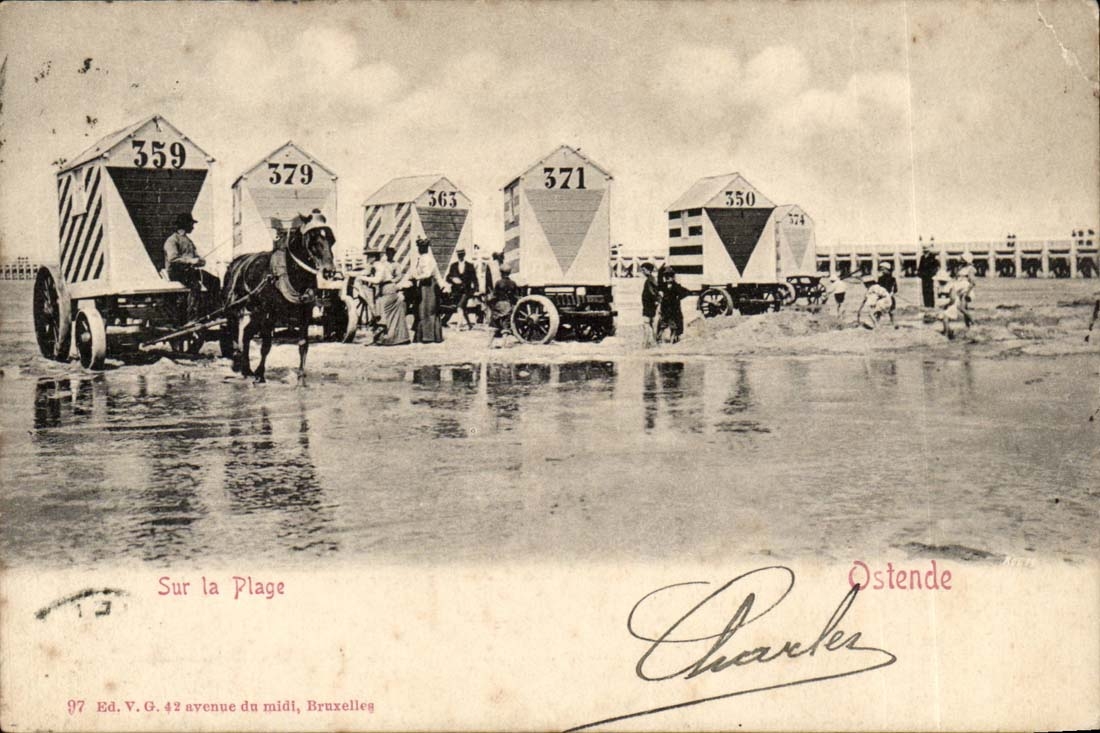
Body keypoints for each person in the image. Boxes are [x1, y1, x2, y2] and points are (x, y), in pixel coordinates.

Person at [164, 212, 219, 297]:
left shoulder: (188, 241)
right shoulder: (172, 240)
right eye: (191, 224)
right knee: (195, 286)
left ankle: (212, 305)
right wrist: (191, 261)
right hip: (177, 273)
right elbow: (173, 259)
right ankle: (193, 309)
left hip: (189, 272)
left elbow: (195, 256)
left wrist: (200, 261)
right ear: (185, 224)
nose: (193, 227)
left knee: (215, 281)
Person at [410, 237, 449, 343]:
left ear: (425, 248)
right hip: (423, 286)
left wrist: (415, 277)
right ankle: (422, 335)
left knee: (428, 311)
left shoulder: (429, 259)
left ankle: (429, 336)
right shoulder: (421, 258)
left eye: (422, 247)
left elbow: (427, 274)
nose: (420, 249)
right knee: (422, 310)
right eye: (419, 247)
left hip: (429, 286)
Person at [372, 245, 410, 346]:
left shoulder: (396, 265)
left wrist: (391, 281)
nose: (389, 254)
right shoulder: (382, 264)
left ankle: (391, 334)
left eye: (391, 253)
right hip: (381, 286)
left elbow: (399, 276)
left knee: (387, 310)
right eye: (388, 253)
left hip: (390, 286)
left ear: (393, 254)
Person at [443, 247, 478, 330]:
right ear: (457, 255)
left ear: (464, 254)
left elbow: (475, 279)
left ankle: (459, 326)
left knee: (459, 306)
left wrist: (474, 291)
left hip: (466, 291)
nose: (460, 256)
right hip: (456, 291)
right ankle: (469, 324)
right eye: (459, 254)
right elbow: (447, 278)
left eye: (461, 254)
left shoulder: (470, 265)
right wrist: (453, 279)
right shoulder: (453, 265)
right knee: (462, 307)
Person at [656, 265, 691, 343]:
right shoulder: (663, 286)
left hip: (674, 310)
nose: (668, 278)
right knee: (662, 325)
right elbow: (659, 281)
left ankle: (673, 340)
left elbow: (687, 292)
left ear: (673, 277)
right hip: (664, 309)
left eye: (670, 276)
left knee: (674, 326)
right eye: (666, 276)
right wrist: (660, 270)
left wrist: (678, 298)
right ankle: (659, 340)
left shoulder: (677, 286)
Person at [488, 263, 519, 338]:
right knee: (506, 326)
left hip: (499, 305)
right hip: (508, 305)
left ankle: (489, 344)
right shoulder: (513, 283)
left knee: (495, 324)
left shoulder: (498, 283)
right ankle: (504, 343)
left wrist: (490, 301)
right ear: (509, 273)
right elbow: (515, 296)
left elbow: (495, 295)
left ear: (501, 273)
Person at [640, 261, 661, 347]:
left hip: (649, 305)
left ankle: (646, 343)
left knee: (646, 324)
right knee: (651, 324)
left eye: (644, 270)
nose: (643, 272)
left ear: (649, 270)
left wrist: (655, 300)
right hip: (650, 305)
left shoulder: (649, 281)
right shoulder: (652, 279)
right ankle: (653, 342)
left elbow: (652, 293)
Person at [917, 242, 939, 308]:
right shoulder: (922, 257)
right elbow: (920, 267)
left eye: (926, 250)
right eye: (924, 250)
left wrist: (933, 274)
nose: (925, 251)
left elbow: (936, 266)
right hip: (924, 277)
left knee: (930, 290)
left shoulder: (933, 257)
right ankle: (926, 304)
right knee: (924, 291)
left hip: (930, 276)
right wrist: (919, 273)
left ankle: (931, 305)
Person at [876, 261, 899, 327]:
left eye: (883, 269)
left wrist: (892, 293)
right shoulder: (880, 279)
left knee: (891, 311)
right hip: (882, 297)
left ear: (888, 269)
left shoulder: (893, 279)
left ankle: (893, 323)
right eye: (881, 270)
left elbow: (895, 289)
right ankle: (877, 323)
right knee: (878, 311)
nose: (882, 271)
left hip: (890, 297)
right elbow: (878, 287)